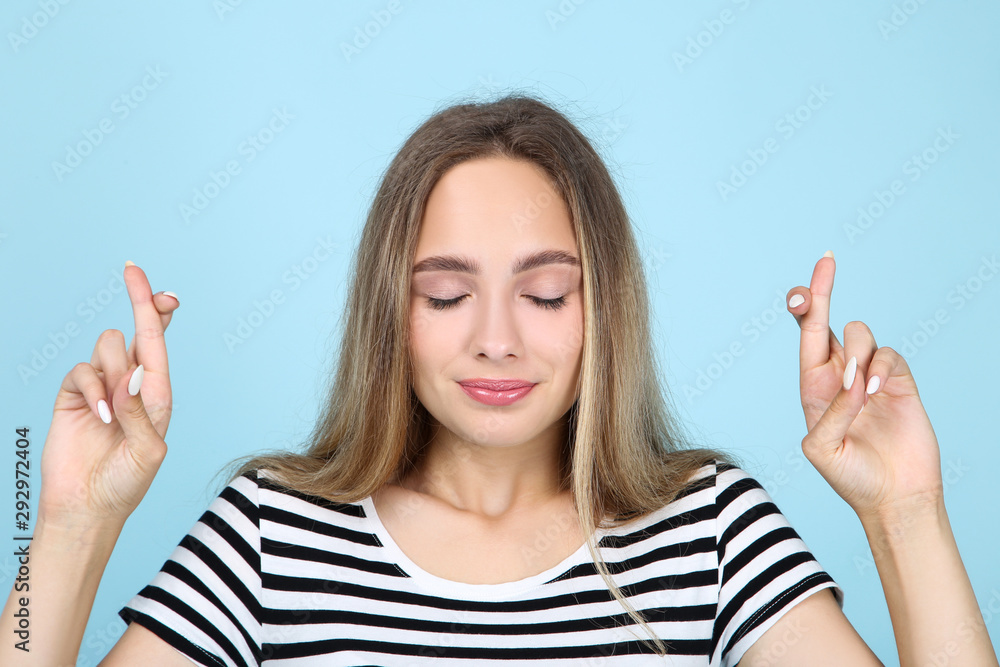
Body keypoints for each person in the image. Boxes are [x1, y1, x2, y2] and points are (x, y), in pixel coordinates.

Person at [2, 94, 996, 666]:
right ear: (389, 313)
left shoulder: (711, 528)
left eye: (546, 294)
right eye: (444, 296)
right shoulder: (269, 530)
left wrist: (904, 512)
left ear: (603, 305)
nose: (495, 341)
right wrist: (69, 526)